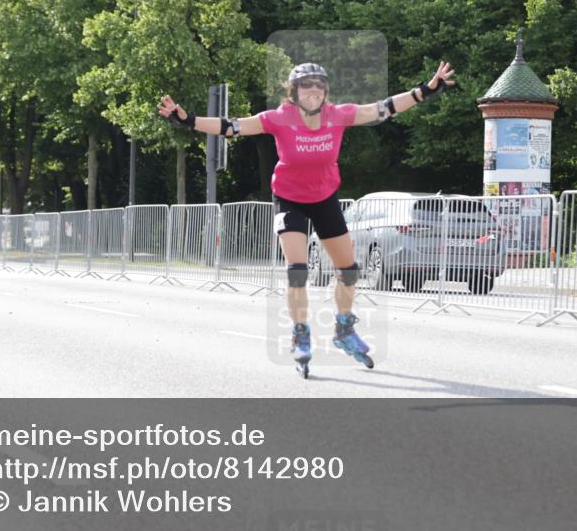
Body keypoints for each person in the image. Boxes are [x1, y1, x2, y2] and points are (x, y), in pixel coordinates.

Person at [157, 61, 456, 376]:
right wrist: (188, 120)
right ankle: (300, 335)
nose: (313, 90)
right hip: (289, 199)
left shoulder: (337, 115)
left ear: (326, 91)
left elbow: (383, 108)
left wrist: (427, 89)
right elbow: (232, 126)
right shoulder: (278, 118)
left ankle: (343, 330)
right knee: (298, 270)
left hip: (324, 197)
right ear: (293, 91)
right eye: (306, 85)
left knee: (349, 270)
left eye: (319, 85)